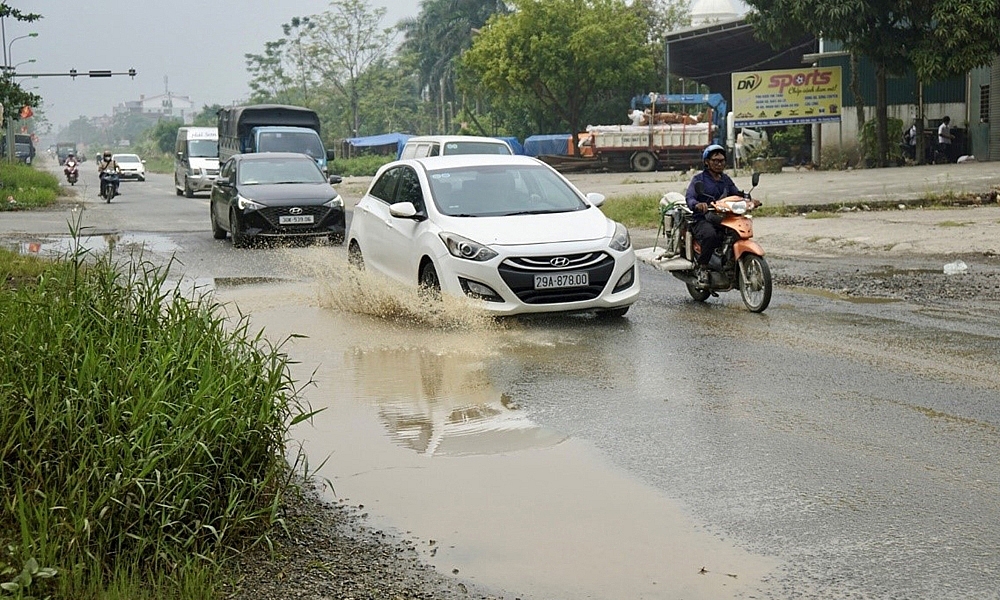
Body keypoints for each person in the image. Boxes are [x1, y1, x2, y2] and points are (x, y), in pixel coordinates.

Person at [684, 144, 751, 286]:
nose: (719, 163)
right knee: (710, 236)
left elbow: (736, 193)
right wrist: (697, 204)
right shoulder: (699, 179)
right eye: (715, 160)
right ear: (707, 162)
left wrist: (749, 199)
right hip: (703, 218)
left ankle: (731, 263)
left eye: (722, 161)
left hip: (723, 217)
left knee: (737, 232)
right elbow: (690, 197)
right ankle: (702, 267)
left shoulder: (725, 179)